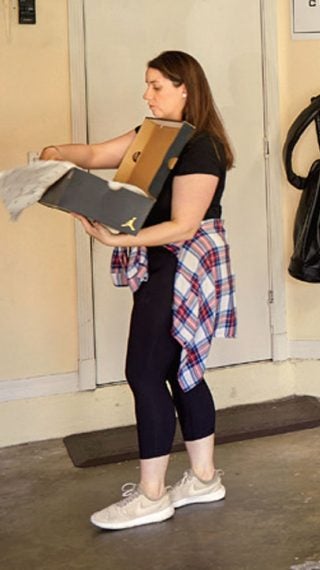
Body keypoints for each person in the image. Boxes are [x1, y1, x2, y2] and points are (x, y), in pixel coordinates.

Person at [41, 51, 237, 530]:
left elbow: (182, 225)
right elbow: (94, 155)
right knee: (180, 370)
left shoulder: (201, 148)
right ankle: (204, 478)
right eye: (147, 85)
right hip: (160, 261)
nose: (146, 95)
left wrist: (116, 238)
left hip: (181, 265)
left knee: (145, 373)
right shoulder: (155, 133)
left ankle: (152, 495)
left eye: (156, 86)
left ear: (185, 89)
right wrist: (56, 154)